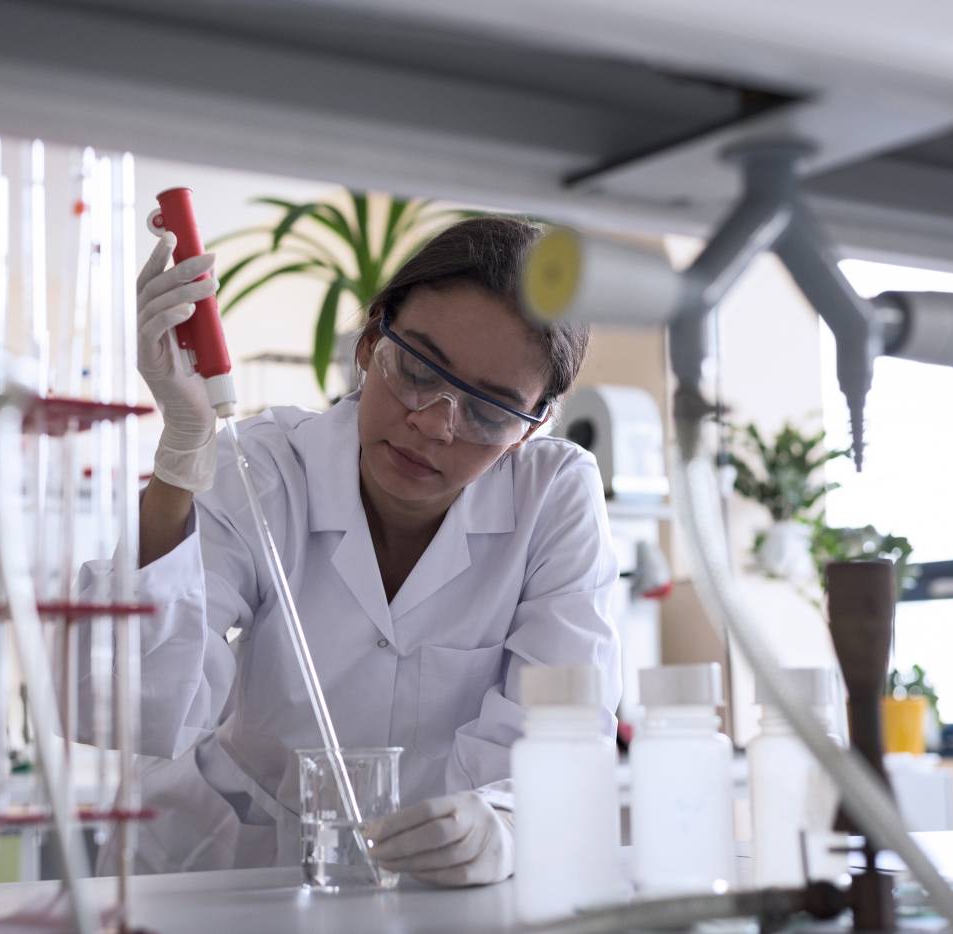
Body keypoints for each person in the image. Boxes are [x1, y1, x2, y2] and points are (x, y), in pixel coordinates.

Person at [77, 215, 621, 886]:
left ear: (533, 428)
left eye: (488, 412)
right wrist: (180, 457)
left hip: (427, 884)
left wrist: (504, 824)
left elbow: (565, 730)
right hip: (211, 872)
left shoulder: (553, 498)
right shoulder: (264, 468)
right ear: (371, 343)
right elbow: (129, 702)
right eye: (419, 370)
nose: (435, 423)